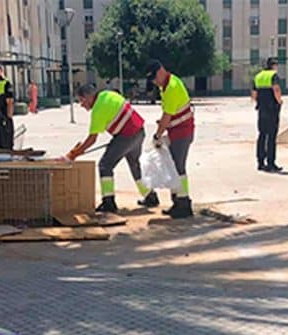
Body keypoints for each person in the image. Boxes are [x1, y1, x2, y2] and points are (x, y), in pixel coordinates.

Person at [64, 83, 158, 214]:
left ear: (89, 97)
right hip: (139, 131)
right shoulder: (108, 94)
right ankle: (150, 196)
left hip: (126, 136)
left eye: (81, 100)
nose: (81, 105)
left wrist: (73, 154)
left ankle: (109, 202)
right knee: (134, 165)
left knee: (105, 165)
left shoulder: (98, 109)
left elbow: (92, 139)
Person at [146, 59, 194, 219]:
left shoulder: (172, 87)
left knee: (178, 168)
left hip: (182, 132)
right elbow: (169, 114)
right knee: (174, 167)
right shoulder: (164, 86)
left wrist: (157, 135)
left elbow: (167, 116)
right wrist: (164, 125)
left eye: (154, 78)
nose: (154, 82)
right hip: (177, 131)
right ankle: (178, 202)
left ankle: (184, 203)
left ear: (161, 71)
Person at [252, 58, 283, 172]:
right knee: (271, 136)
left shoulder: (258, 76)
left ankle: (260, 162)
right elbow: (276, 89)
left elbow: (254, 94)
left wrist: (259, 103)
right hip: (272, 109)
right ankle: (271, 163)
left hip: (262, 109)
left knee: (262, 135)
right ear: (273, 66)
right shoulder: (273, 75)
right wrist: (279, 101)